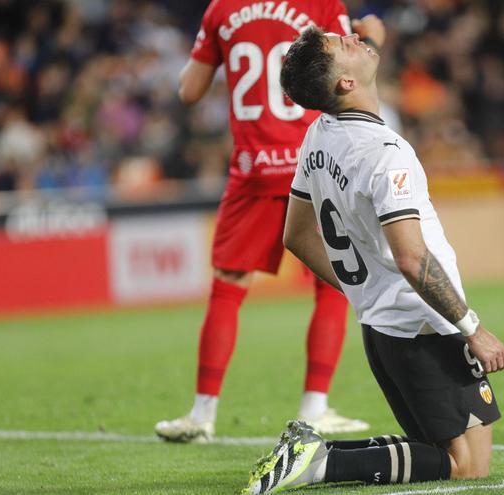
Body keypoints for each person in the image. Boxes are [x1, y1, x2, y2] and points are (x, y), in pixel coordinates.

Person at [242, 26, 504, 493]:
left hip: (381, 326)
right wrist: (473, 328)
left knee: (441, 450)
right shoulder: (387, 156)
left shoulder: (319, 134)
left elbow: (295, 235)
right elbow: (411, 258)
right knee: (467, 464)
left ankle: (310, 454)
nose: (352, 38)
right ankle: (321, 463)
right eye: (341, 45)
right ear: (345, 83)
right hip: (424, 325)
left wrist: (361, 290)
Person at [155, 2, 386, 442]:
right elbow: (345, 75)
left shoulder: (222, 9)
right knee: (332, 281)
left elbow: (188, 91)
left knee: (228, 285)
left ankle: (202, 414)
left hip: (253, 166)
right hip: (314, 160)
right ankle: (315, 406)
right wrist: (371, 39)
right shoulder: (321, 5)